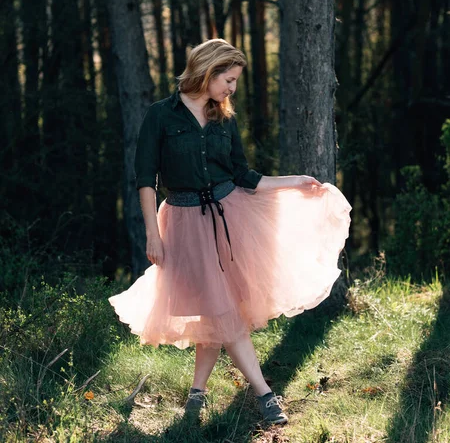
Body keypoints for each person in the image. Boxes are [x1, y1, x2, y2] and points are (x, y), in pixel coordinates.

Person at [109, 38, 351, 426]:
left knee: (218, 311)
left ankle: (200, 396)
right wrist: (152, 234)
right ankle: (264, 395)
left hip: (230, 218)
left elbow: (243, 175)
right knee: (218, 310)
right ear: (208, 70)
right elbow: (145, 179)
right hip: (185, 224)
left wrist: (295, 182)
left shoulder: (224, 118)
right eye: (229, 79)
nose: (232, 89)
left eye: (235, 81)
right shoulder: (161, 116)